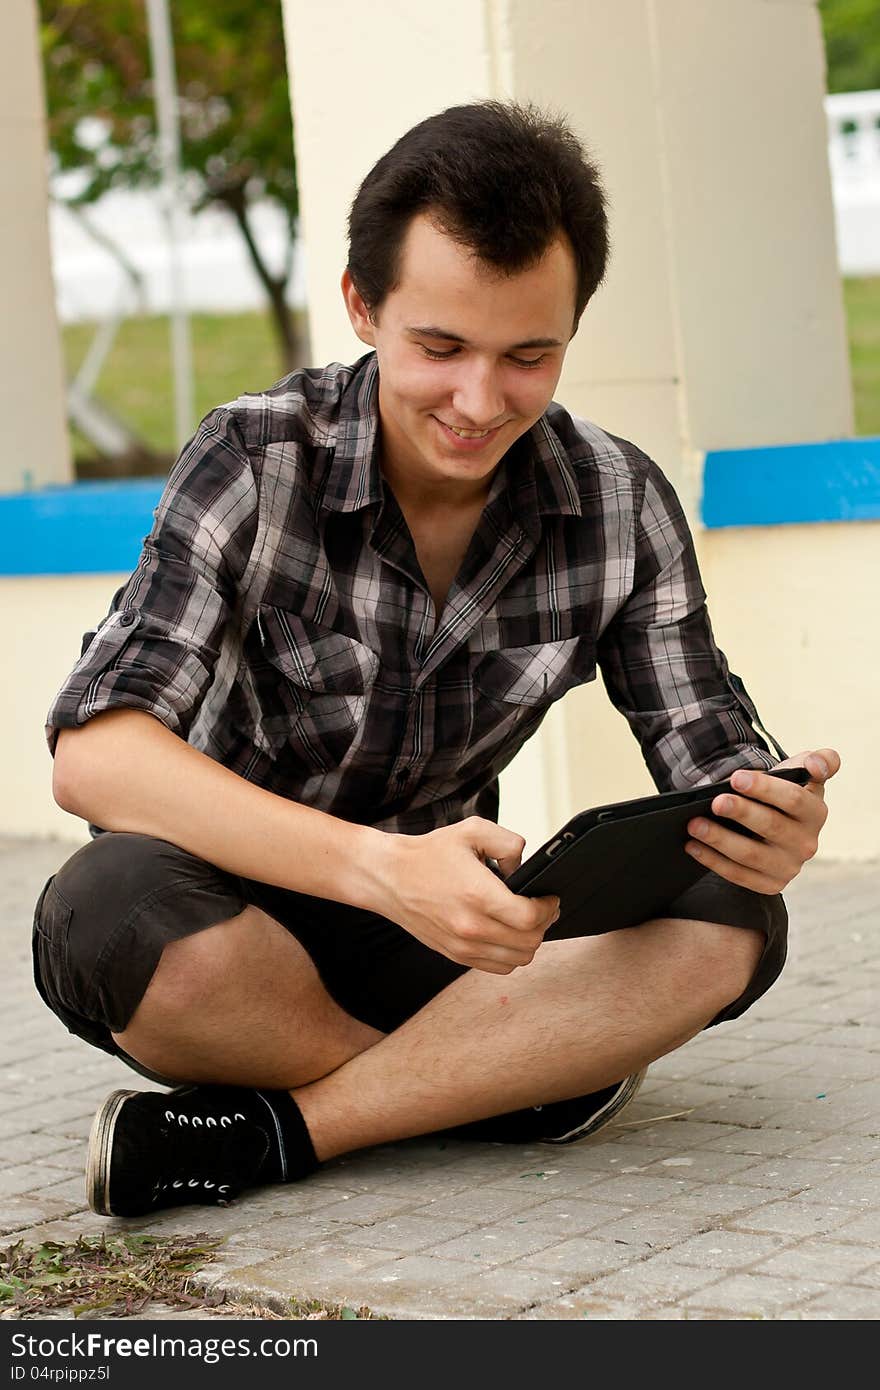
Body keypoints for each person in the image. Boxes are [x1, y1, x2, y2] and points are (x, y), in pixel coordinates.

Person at [34, 100, 839, 1219]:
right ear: (364, 306)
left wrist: (767, 817)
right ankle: (515, 1078)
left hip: (452, 937)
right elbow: (96, 758)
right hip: (219, 921)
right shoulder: (256, 457)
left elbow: (711, 758)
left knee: (735, 916)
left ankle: (285, 1129)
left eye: (528, 356)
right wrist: (378, 868)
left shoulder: (618, 501)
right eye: (439, 348)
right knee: (105, 901)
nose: (478, 401)